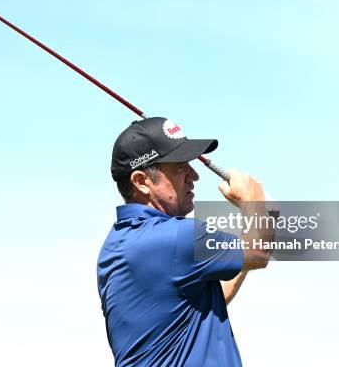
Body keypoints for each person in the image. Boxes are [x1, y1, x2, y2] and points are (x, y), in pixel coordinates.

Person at [97, 117, 273, 366]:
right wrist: (253, 203)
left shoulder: (120, 243)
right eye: (180, 167)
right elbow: (259, 252)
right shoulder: (176, 238)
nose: (194, 176)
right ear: (141, 182)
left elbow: (201, 301)